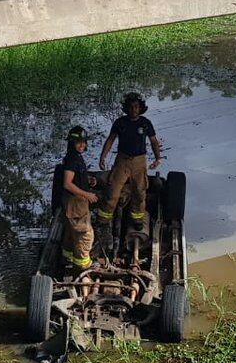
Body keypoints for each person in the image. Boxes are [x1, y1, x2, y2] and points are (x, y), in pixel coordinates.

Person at [96, 92, 161, 229]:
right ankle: (103, 219)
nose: (134, 110)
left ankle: (137, 219)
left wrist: (157, 159)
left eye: (136, 107)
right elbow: (110, 139)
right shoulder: (120, 123)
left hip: (139, 161)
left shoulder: (145, 123)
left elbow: (154, 141)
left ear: (140, 108)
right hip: (122, 160)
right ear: (126, 108)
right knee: (112, 190)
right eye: (131, 107)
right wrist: (102, 157)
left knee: (139, 191)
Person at [60, 125, 98, 272]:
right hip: (76, 203)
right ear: (72, 143)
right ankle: (82, 265)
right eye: (79, 142)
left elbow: (75, 178)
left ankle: (67, 257)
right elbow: (67, 184)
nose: (82, 145)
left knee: (70, 233)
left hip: (74, 202)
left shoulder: (75, 157)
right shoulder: (72, 160)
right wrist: (87, 194)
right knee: (85, 234)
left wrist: (87, 181)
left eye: (84, 142)